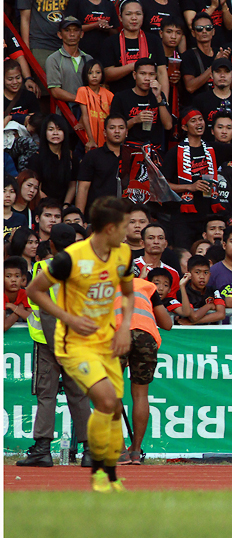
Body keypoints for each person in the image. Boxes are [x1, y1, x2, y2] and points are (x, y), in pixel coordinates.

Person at [25, 198, 134, 492]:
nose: (129, 231)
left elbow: (127, 293)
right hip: (72, 343)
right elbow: (34, 291)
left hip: (105, 341)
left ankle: (103, 466)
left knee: (112, 406)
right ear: (109, 228)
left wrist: (124, 327)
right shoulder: (71, 259)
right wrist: (68, 317)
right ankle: (100, 470)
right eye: (125, 226)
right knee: (106, 400)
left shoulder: (123, 254)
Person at [14, 225, 93, 467]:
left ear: (51, 244)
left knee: (46, 395)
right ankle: (91, 451)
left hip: (49, 343)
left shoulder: (43, 268)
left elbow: (46, 313)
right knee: (79, 395)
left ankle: (42, 449)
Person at [113, 273, 171, 465]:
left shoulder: (105, 285)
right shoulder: (147, 287)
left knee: (111, 393)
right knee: (140, 395)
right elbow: (167, 324)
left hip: (117, 335)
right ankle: (136, 451)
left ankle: (120, 451)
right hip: (146, 337)